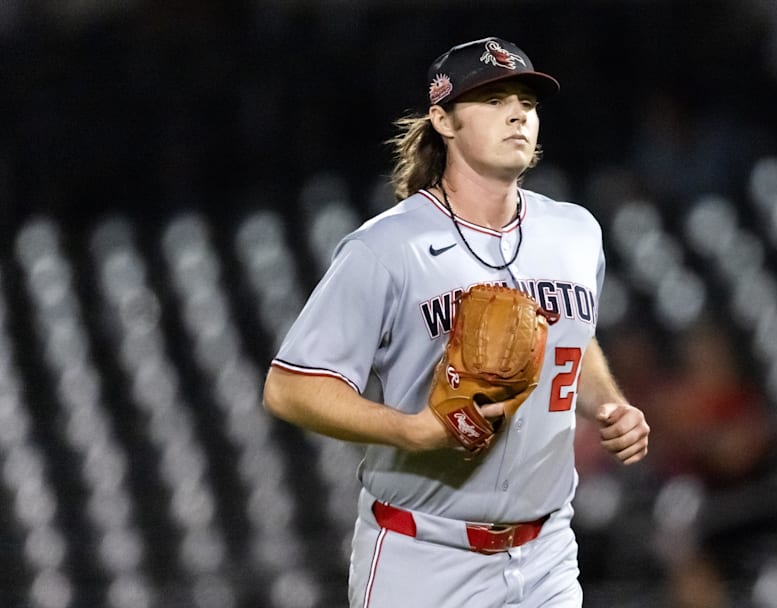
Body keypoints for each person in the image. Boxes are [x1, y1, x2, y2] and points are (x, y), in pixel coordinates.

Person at [262, 36, 650, 608]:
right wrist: (409, 430)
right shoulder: (388, 247)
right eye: (492, 100)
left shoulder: (575, 231)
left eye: (527, 101)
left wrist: (609, 405)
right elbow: (290, 386)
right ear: (443, 120)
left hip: (547, 554)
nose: (518, 113)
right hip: (423, 557)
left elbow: (571, 333)